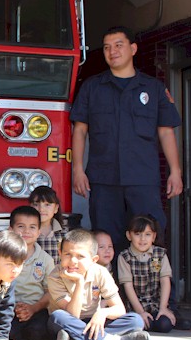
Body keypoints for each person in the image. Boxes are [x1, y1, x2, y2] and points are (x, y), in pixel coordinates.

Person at [70, 26, 183, 254]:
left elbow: (166, 132)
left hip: (143, 177)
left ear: (133, 49)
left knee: (151, 234)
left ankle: (152, 289)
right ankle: (109, 289)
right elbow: (80, 131)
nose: (112, 51)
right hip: (103, 180)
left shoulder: (154, 88)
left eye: (119, 45)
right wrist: (78, 170)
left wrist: (175, 171)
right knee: (104, 240)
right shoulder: (92, 87)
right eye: (107, 47)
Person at [47, 229, 149, 340]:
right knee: (57, 317)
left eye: (80, 256)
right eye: (67, 254)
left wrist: (102, 313)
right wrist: (79, 283)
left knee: (136, 320)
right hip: (69, 321)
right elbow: (72, 314)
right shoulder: (55, 276)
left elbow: (120, 309)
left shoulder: (100, 272)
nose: (73, 261)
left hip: (94, 321)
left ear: (93, 260)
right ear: (60, 253)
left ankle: (76, 339)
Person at [118, 214, 191, 333]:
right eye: (138, 234)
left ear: (154, 236)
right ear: (129, 235)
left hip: (156, 304)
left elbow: (165, 281)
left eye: (147, 234)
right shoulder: (125, 257)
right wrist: (140, 312)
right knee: (138, 323)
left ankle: (169, 318)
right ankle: (147, 322)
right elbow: (128, 286)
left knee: (164, 325)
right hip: (136, 305)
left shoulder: (159, 254)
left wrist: (163, 308)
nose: (143, 239)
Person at [7, 206, 55, 340]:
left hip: (38, 308)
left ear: (39, 232)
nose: (27, 231)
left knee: (37, 333)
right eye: (21, 226)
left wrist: (33, 308)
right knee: (9, 333)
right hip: (9, 309)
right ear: (10, 230)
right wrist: (13, 307)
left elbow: (51, 292)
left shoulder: (46, 259)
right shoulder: (4, 257)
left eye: (32, 227)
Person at [29, 185, 65, 264]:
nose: (41, 209)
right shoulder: (26, 233)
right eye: (36, 204)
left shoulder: (65, 234)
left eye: (47, 204)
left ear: (56, 208)